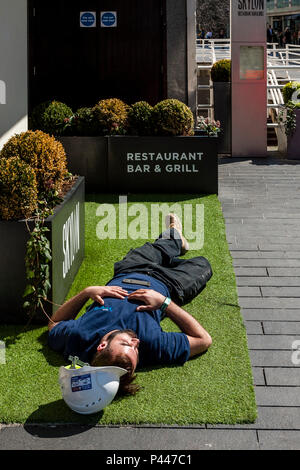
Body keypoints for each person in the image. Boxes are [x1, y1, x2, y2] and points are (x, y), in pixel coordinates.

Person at [48, 214, 213, 395]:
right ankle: (171, 248)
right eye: (136, 350)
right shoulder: (150, 345)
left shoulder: (79, 338)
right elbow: (203, 340)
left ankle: (172, 242)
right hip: (170, 284)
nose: (136, 342)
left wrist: (87, 292)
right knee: (203, 264)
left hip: (130, 269)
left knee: (160, 246)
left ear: (102, 346)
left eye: (127, 343)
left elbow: (54, 324)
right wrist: (164, 302)